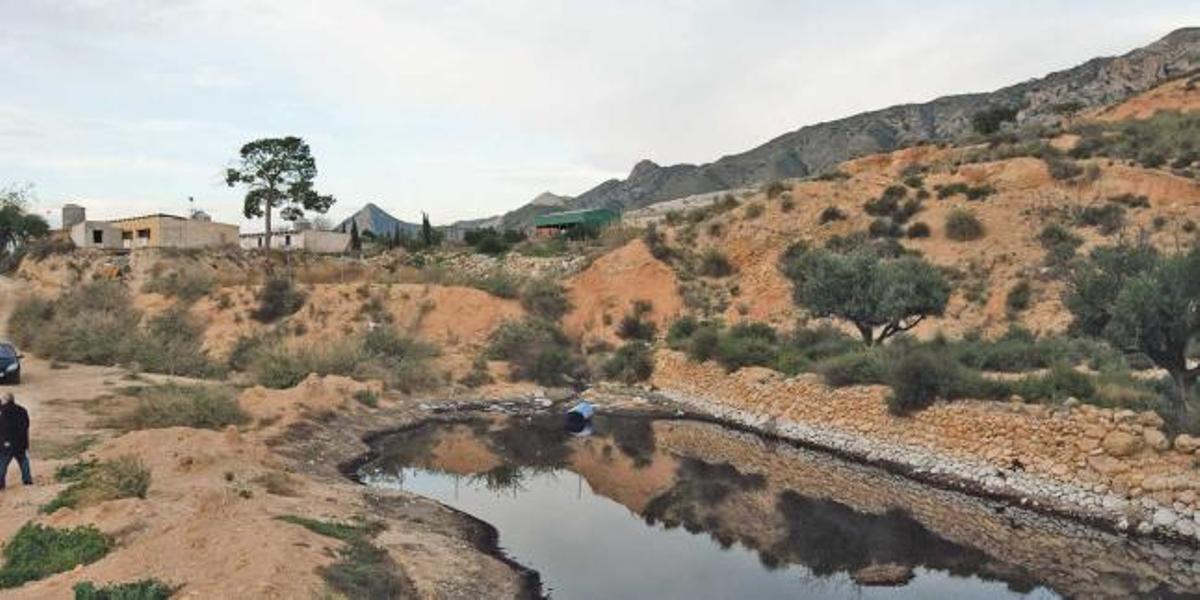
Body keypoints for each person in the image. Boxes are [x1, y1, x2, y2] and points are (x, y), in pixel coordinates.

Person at [0, 393, 32, 488]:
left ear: (6, 401)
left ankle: (0, 483)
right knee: (23, 461)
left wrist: (4, 441)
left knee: (2, 463)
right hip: (21, 442)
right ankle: (27, 480)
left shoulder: (4, 412)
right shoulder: (22, 410)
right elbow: (26, 425)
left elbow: (3, 428)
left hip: (8, 443)